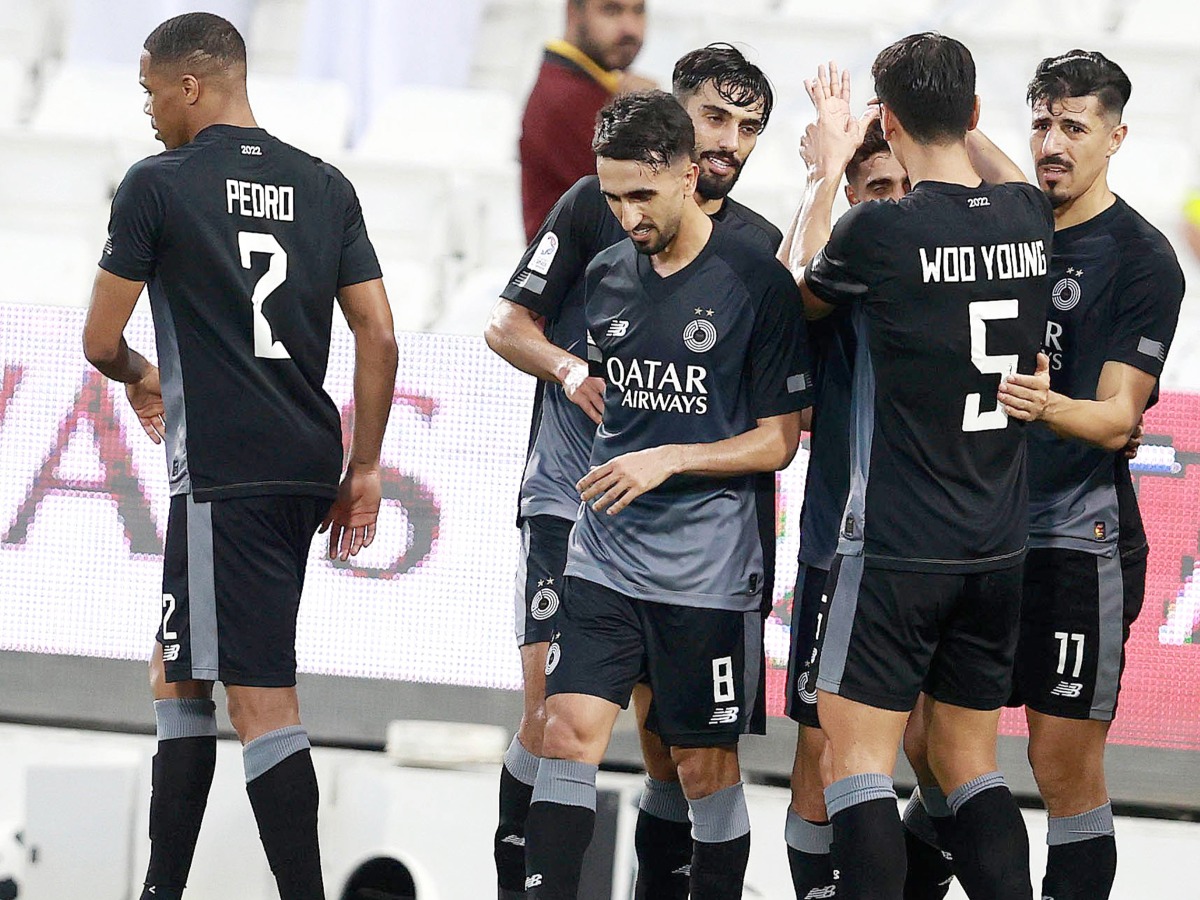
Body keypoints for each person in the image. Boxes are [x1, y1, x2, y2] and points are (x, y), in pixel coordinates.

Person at [80, 13, 398, 900]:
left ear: (189, 85)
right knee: (177, 665)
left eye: (150, 90)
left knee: (259, 697)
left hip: (227, 470)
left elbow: (100, 340)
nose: (147, 110)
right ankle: (162, 887)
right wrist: (364, 466)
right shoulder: (325, 184)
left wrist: (146, 377)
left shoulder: (158, 184)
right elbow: (378, 335)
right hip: (304, 458)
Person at [486, 44, 783, 900]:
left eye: (747, 127)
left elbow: (780, 396)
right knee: (553, 717)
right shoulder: (598, 206)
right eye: (715, 118)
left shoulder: (753, 248)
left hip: (689, 533)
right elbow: (507, 326)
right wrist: (571, 371)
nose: (729, 140)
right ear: (676, 119)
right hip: (571, 501)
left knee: (674, 752)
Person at [902, 50, 1186, 900]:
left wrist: (1037, 402)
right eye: (1042, 123)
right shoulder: (1010, 224)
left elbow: (1116, 419)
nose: (1053, 142)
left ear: (1116, 137)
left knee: (1061, 765)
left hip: (1075, 538)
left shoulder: (1142, 259)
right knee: (931, 750)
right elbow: (965, 143)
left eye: (1074, 127)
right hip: (977, 533)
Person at [796, 35, 1055, 900]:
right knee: (967, 764)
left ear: (889, 120)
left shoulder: (882, 230)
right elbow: (1007, 175)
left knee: (857, 762)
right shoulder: (1028, 216)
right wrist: (954, 122)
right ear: (978, 114)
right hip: (997, 545)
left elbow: (792, 287)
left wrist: (830, 161)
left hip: (900, 546)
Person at [777, 82, 909, 897]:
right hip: (835, 544)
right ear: (854, 198)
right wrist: (823, 173)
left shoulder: (937, 271)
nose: (894, 205)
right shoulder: (836, 279)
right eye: (876, 191)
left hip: (930, 552)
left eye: (906, 187)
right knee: (820, 758)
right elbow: (792, 286)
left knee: (936, 759)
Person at [520, 0, 654, 240]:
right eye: (611, 10)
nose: (630, 28)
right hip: (581, 273)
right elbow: (653, 202)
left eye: (638, 11)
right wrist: (650, 119)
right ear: (573, 11)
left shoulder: (600, 87)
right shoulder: (566, 97)